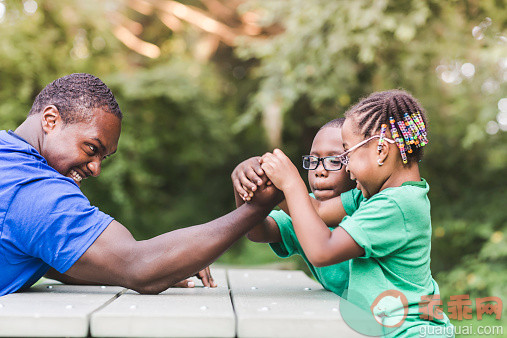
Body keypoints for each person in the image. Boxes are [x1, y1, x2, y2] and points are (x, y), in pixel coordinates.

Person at [0, 73, 281, 296]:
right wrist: (254, 210)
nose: (96, 168)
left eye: (103, 157)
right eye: (91, 148)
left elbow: (50, 256)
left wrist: (168, 266)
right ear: (51, 120)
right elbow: (138, 265)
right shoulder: (32, 190)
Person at [259, 90, 453, 337]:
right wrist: (274, 186)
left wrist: (291, 184)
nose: (347, 167)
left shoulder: (396, 205)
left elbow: (322, 250)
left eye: (347, 153)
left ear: (381, 151)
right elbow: (317, 211)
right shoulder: (373, 196)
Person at [231, 118, 355, 296]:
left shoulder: (365, 202)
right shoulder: (302, 205)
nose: (320, 171)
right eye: (313, 161)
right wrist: (244, 183)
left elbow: (317, 210)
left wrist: (284, 186)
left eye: (334, 161)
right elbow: (257, 231)